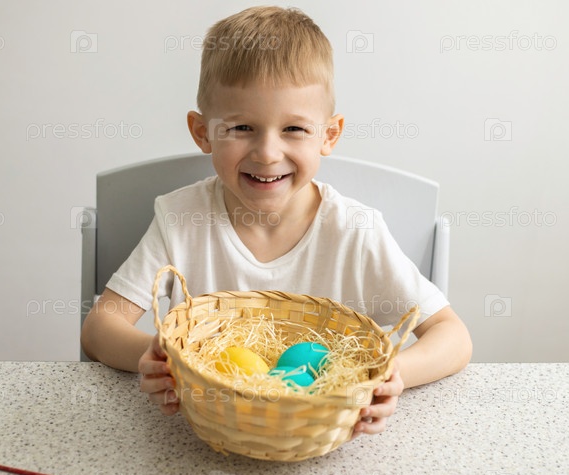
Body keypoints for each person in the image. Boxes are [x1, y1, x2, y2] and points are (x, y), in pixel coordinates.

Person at [81, 6, 472, 438]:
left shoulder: (356, 231)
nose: (267, 153)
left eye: (294, 129)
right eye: (242, 127)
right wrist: (155, 357)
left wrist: (390, 374)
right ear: (202, 132)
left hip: (323, 443)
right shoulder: (182, 219)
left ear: (329, 135)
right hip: (207, 436)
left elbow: (453, 336)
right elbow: (100, 328)